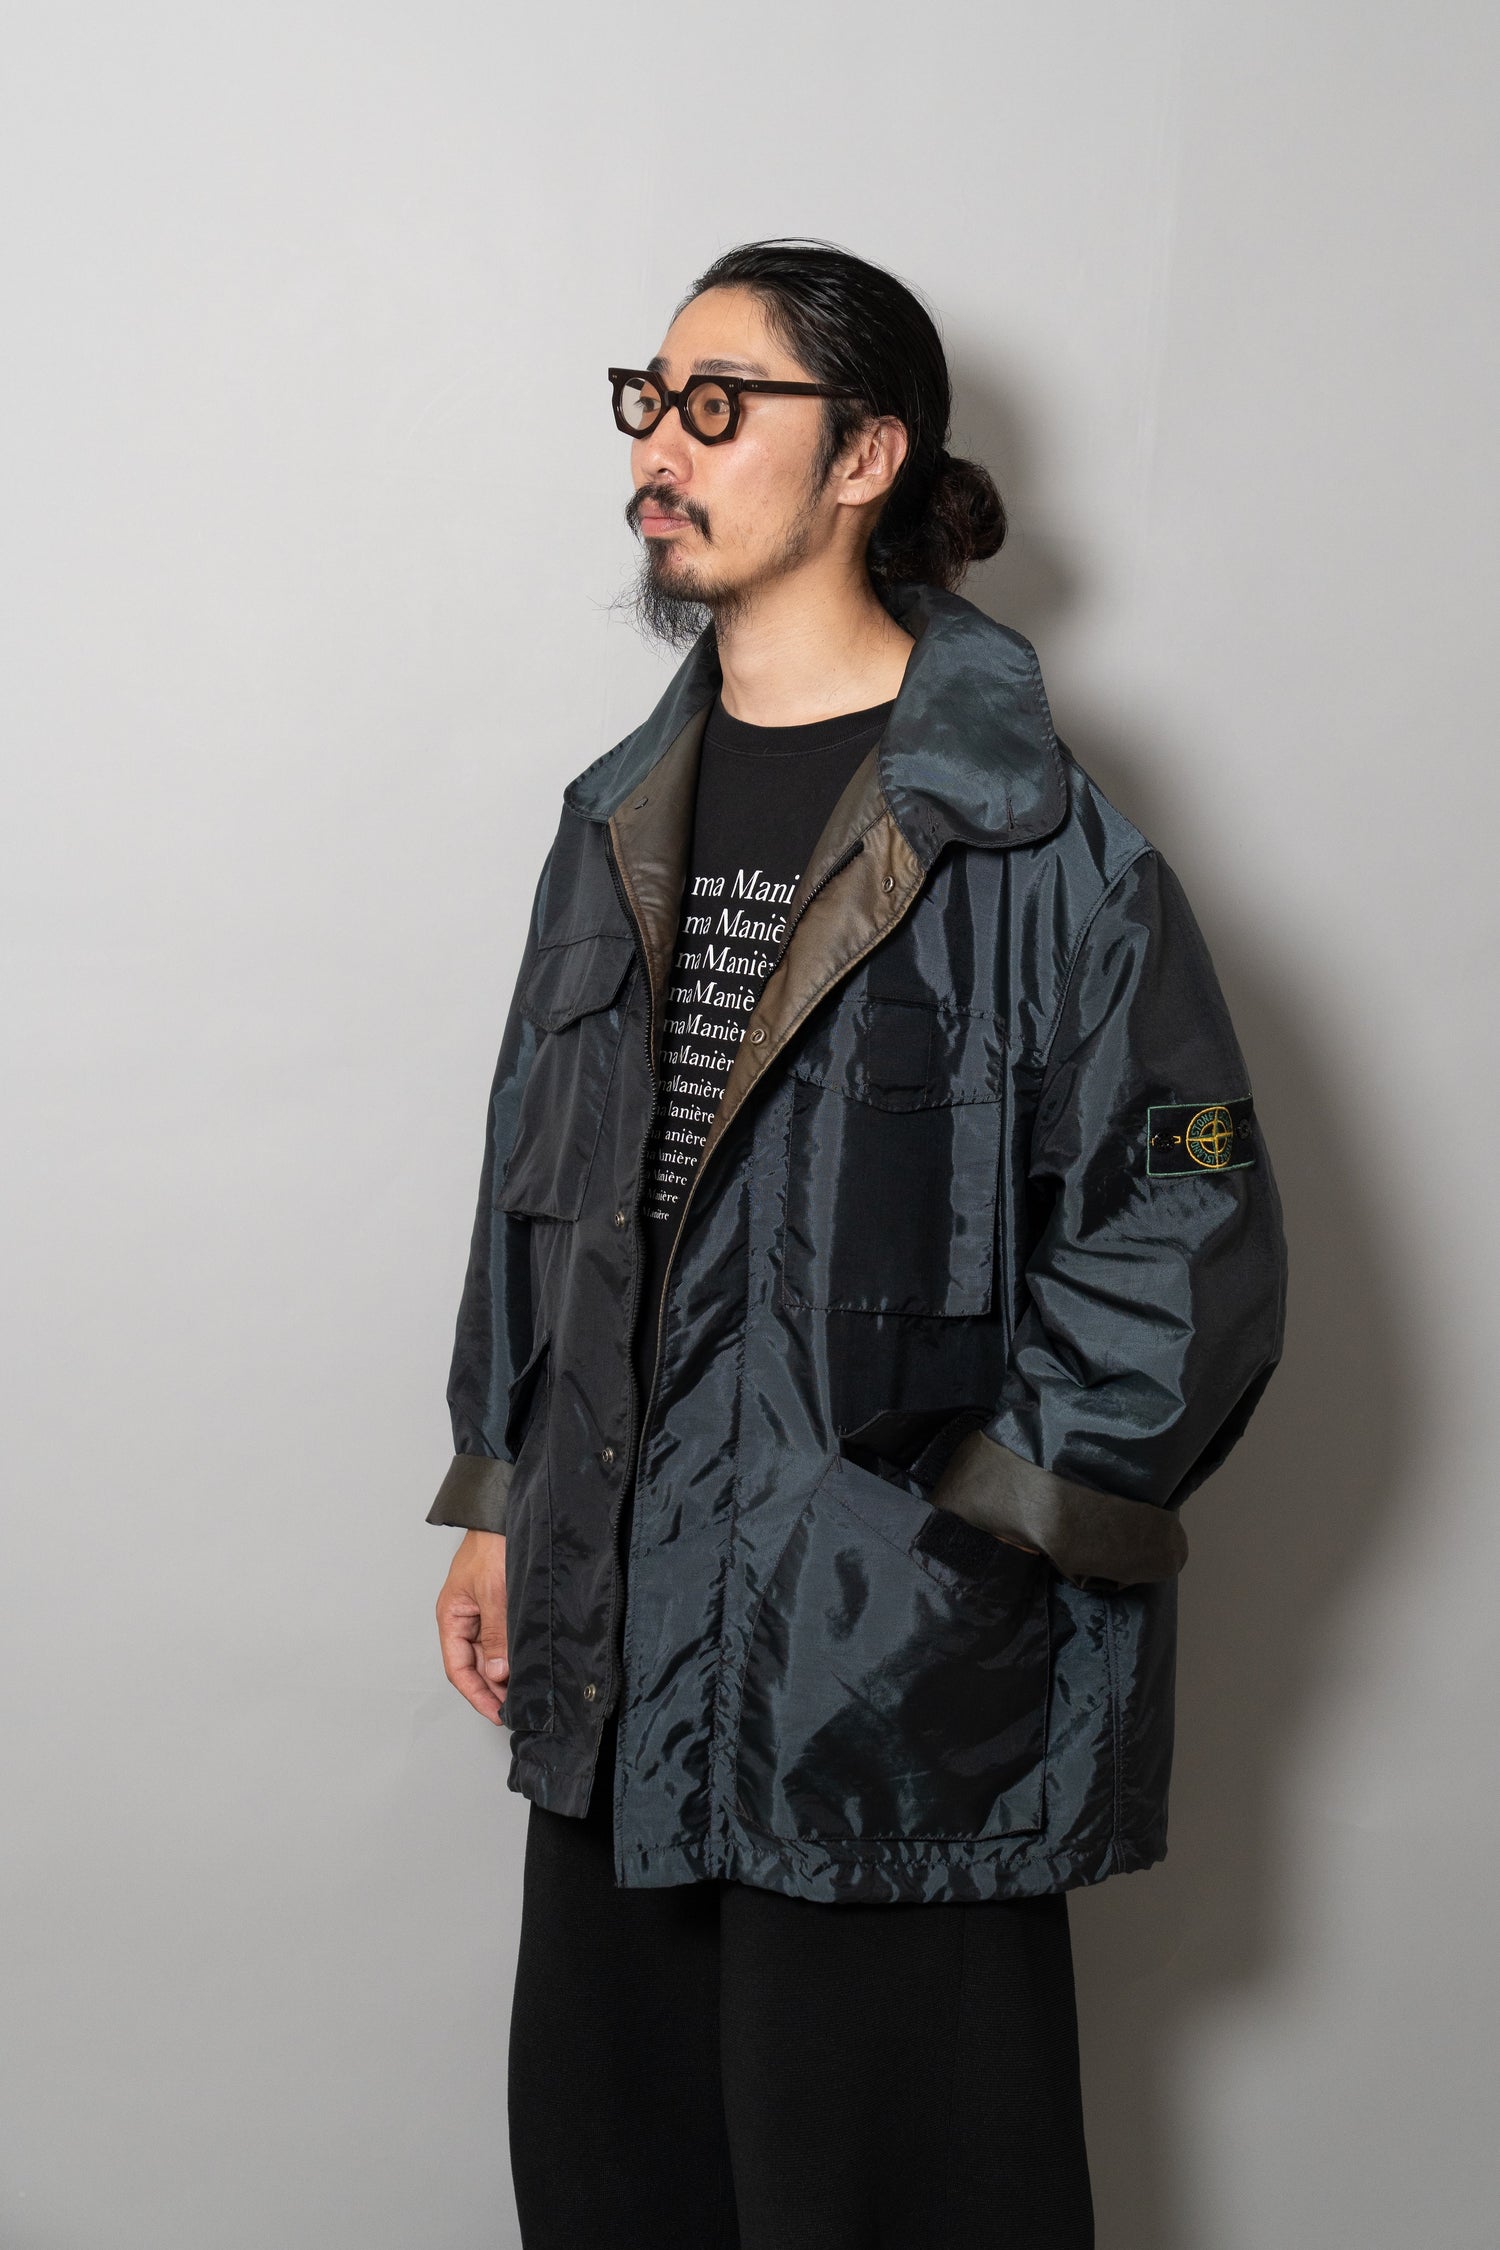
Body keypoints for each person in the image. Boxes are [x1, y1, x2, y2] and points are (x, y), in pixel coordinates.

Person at [426, 237, 1289, 2250]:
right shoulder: (613, 817)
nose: (661, 447)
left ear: (868, 456)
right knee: (623, 2185)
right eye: (649, 400)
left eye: (720, 404)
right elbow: (536, 1183)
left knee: (895, 2200)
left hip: (889, 1680)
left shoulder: (1036, 839)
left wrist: (973, 1549)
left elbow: (1188, 1209)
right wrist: (502, 1490)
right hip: (615, 1638)